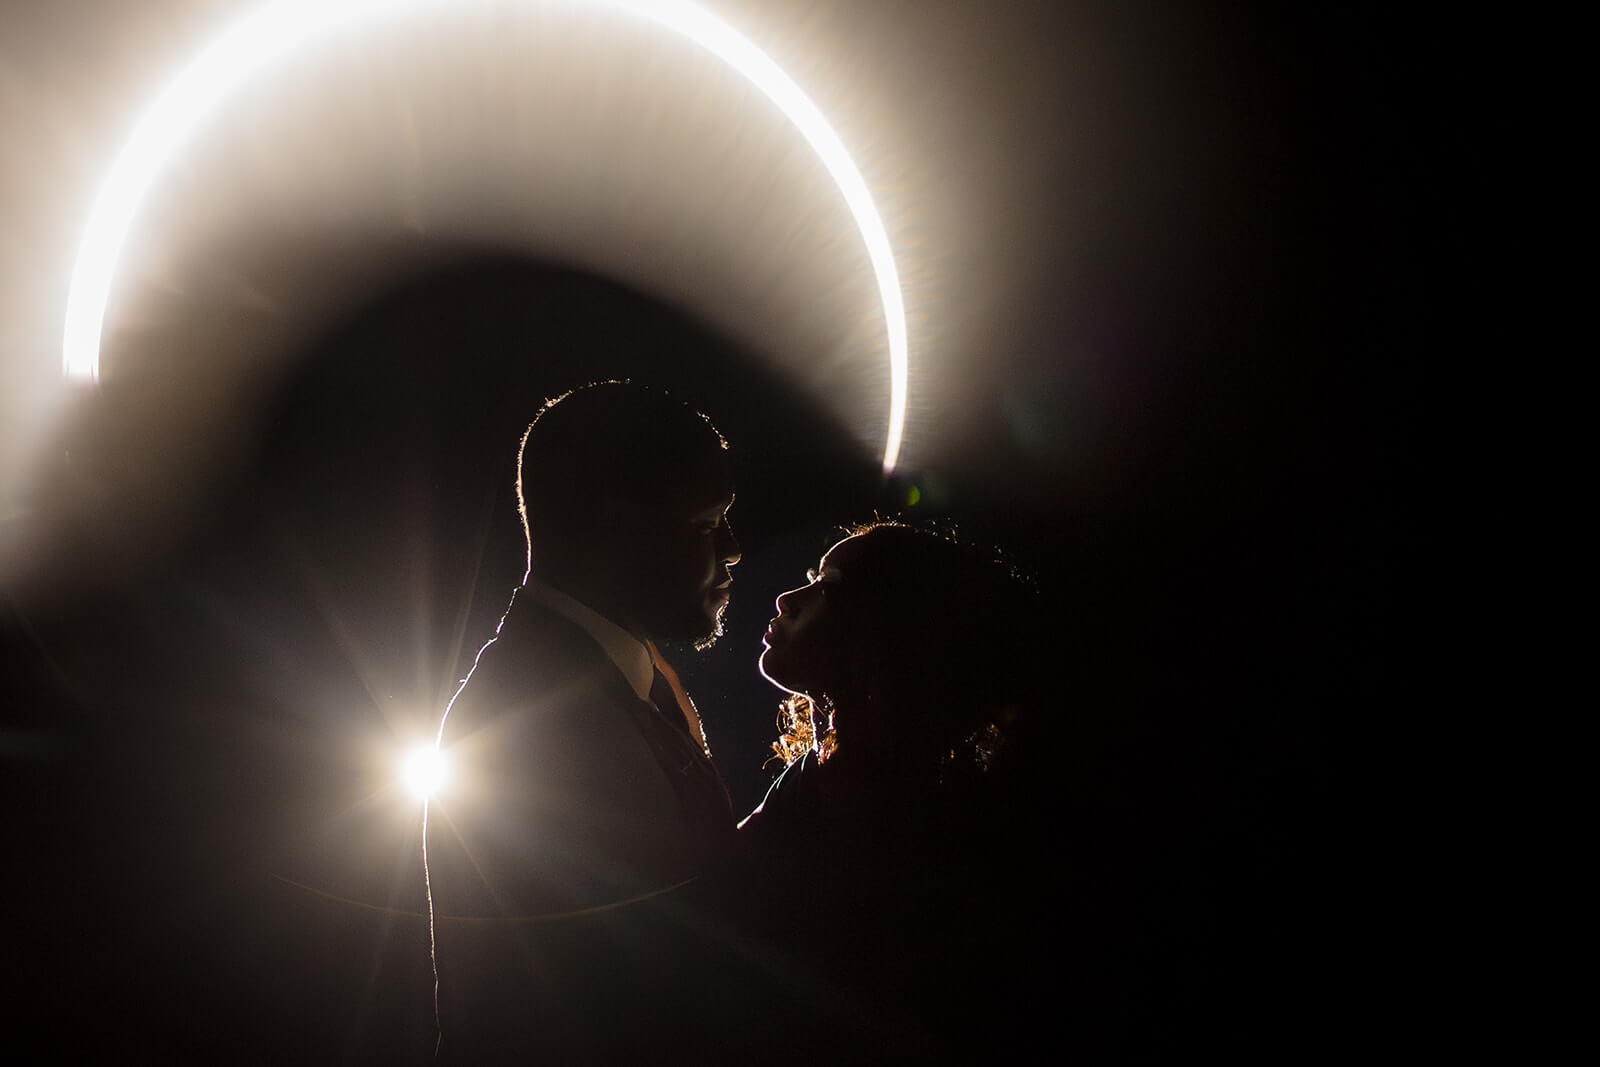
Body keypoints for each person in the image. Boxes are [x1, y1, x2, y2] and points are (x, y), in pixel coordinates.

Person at [423, 381, 743, 1061]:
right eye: (707, 524)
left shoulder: (631, 673)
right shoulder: (532, 725)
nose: (736, 548)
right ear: (618, 525)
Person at [733, 520, 1054, 1060]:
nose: (789, 598)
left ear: (890, 630)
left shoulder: (887, 826)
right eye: (809, 577)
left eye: (827, 587)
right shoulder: (830, 775)